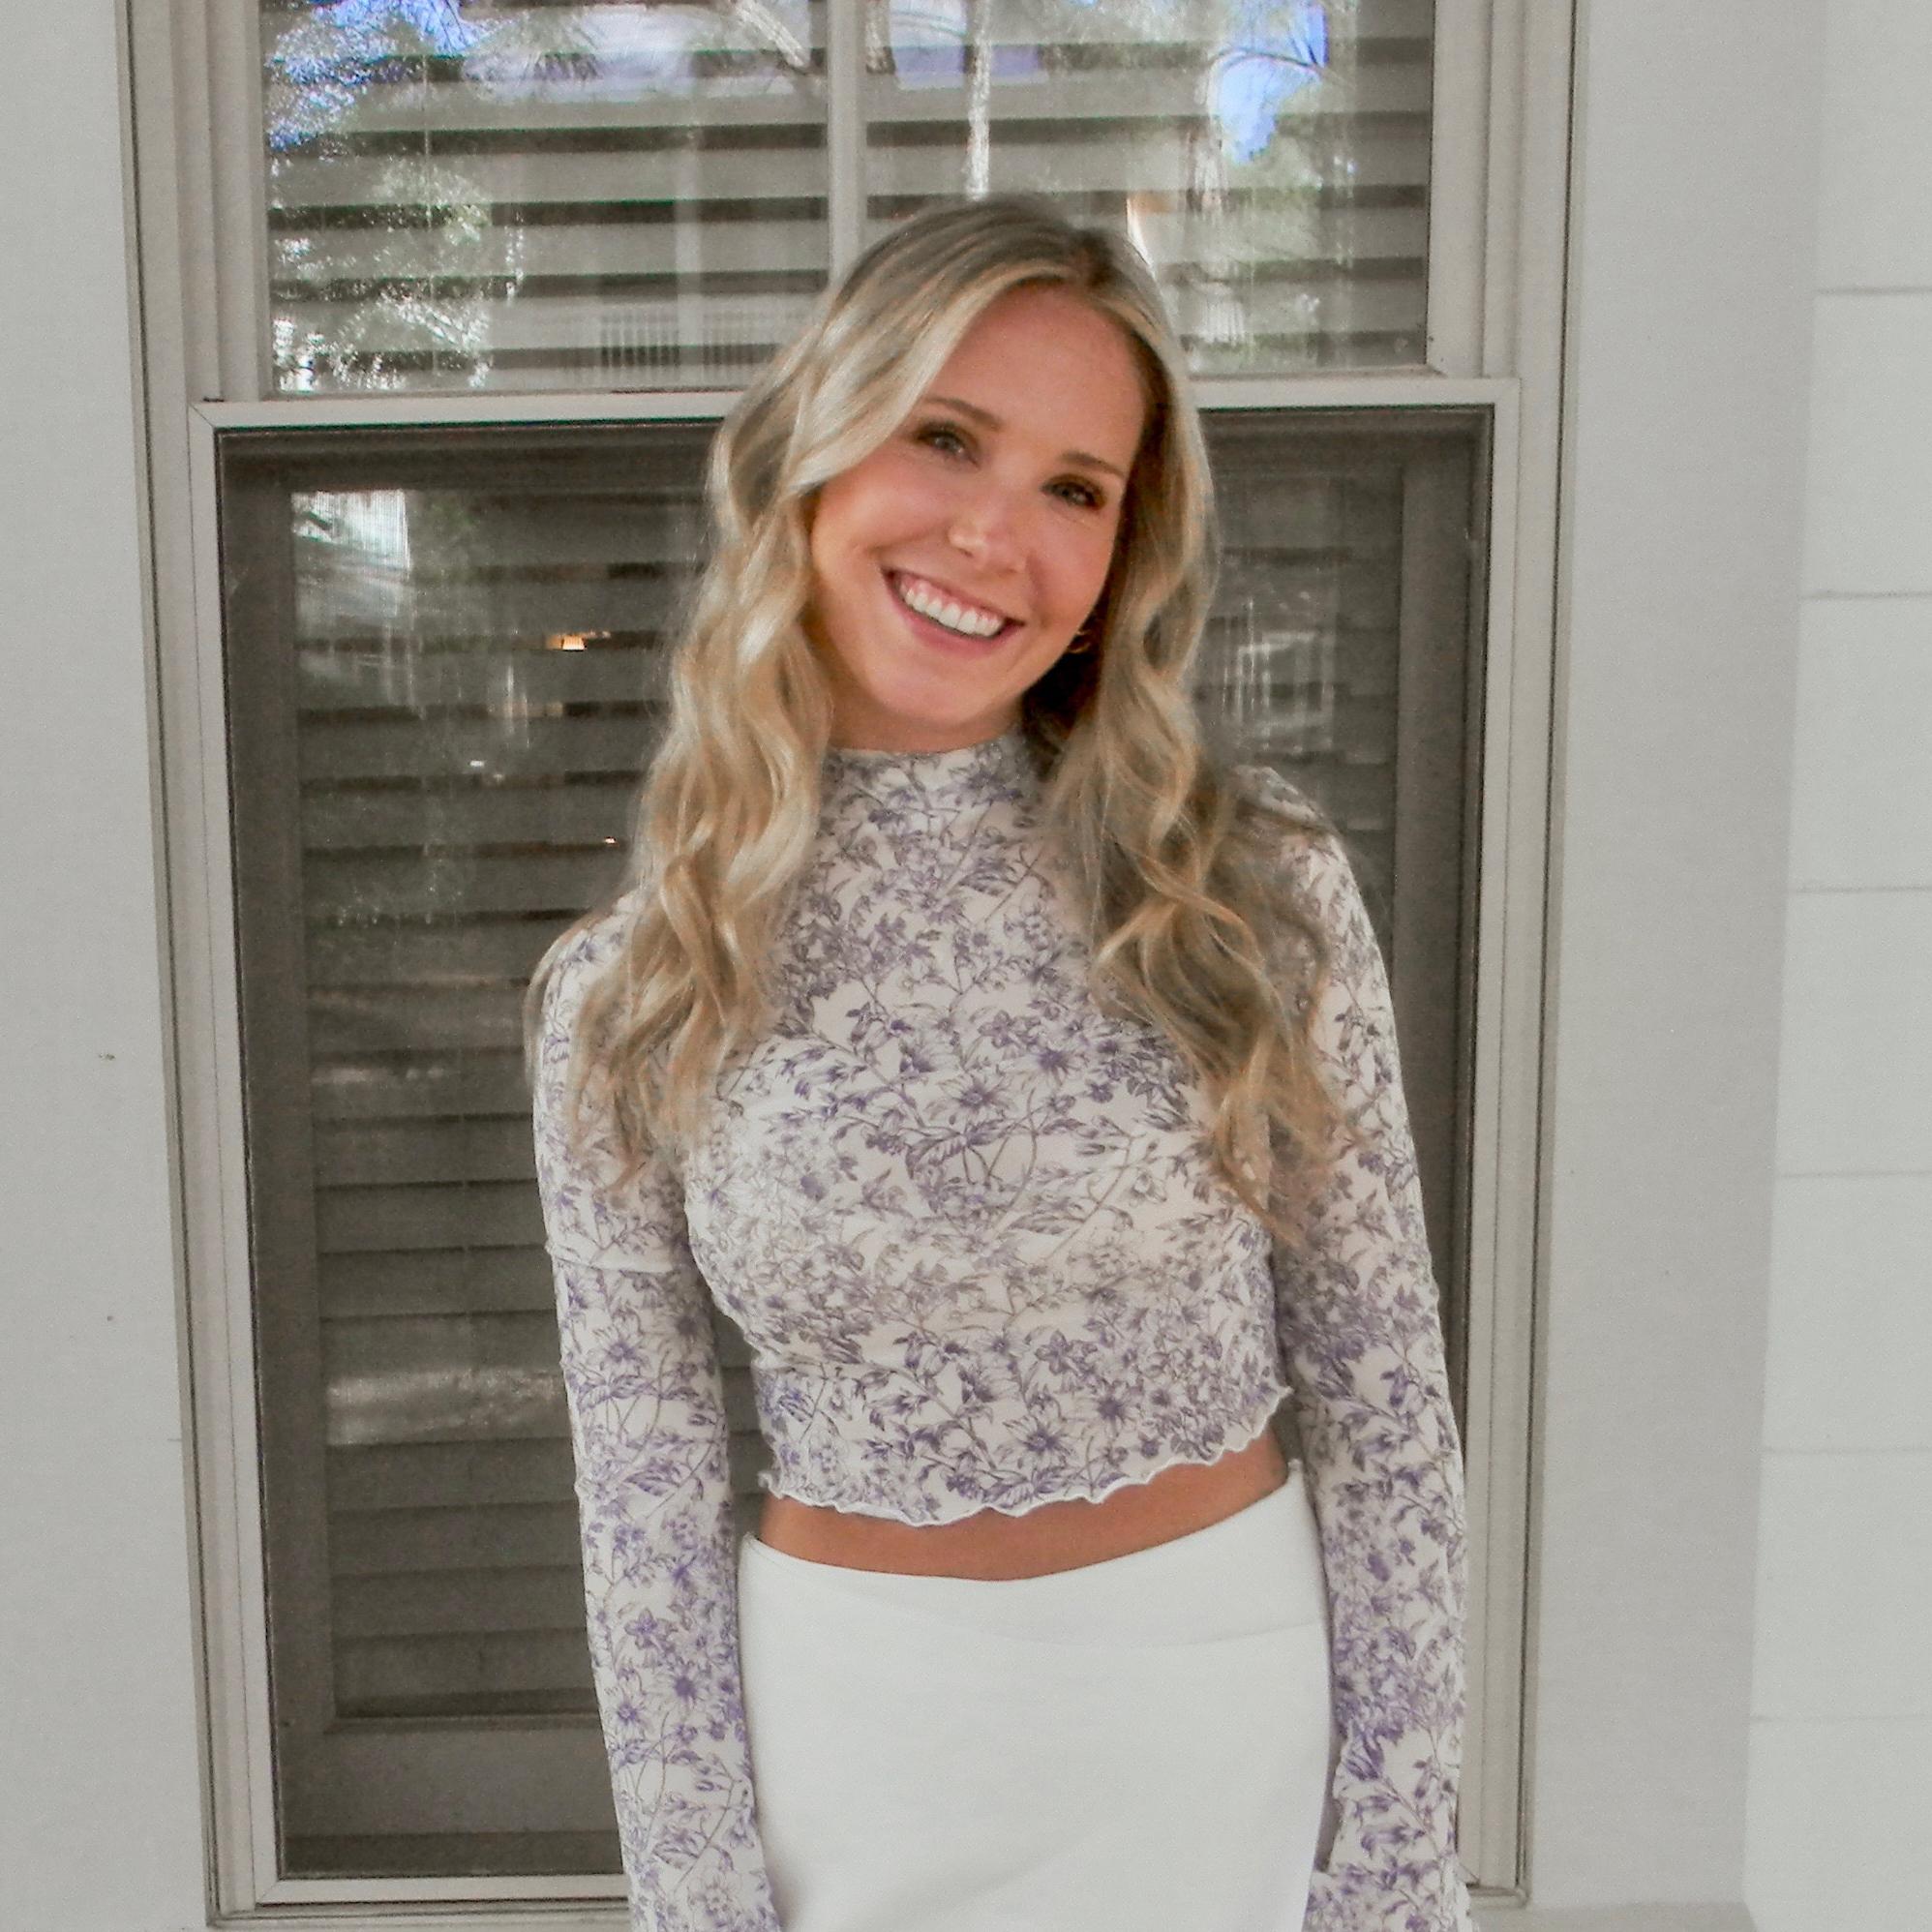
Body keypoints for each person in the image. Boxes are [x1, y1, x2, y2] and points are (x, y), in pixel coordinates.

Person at [525, 193, 1474, 1932]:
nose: (992, 536)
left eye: (1074, 489)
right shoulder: (633, 987)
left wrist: (1401, 1871)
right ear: (815, 456)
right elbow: (644, 1496)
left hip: (1216, 1715)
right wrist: (696, 1894)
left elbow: (1386, 1400)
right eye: (947, 438)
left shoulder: (1249, 892)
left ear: (1123, 560)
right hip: (856, 1742)